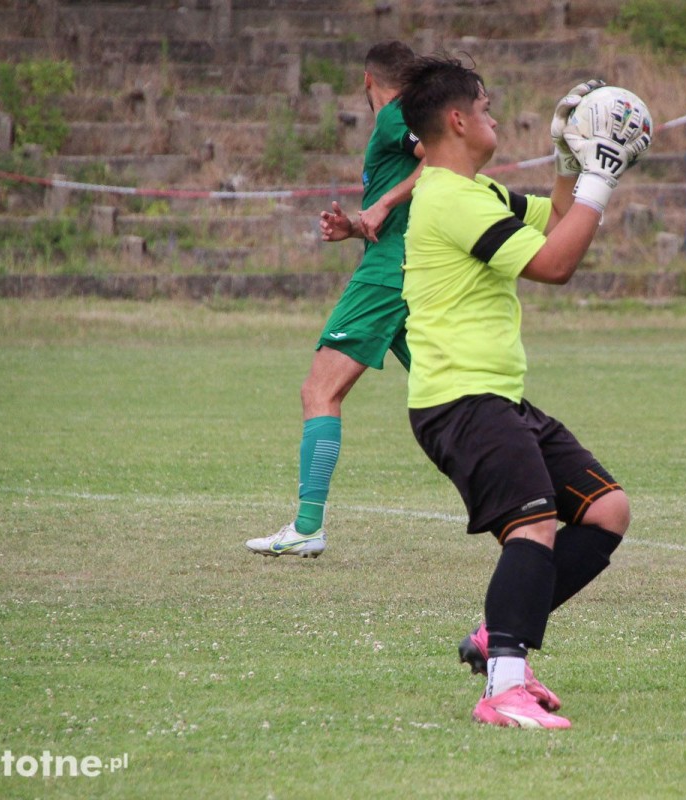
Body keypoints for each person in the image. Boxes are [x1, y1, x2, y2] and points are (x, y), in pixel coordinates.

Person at [398, 56, 650, 728]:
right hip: (461, 402)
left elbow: (558, 219)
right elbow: (555, 263)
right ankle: (503, 687)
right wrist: (601, 173)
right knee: (534, 525)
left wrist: (570, 160)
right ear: (457, 120)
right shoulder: (449, 199)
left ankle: (499, 631)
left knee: (607, 511)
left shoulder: (477, 190)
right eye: (486, 109)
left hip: (495, 398)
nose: (495, 119)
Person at [246, 40, 425, 558]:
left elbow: (442, 159)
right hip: (412, 269)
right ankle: (544, 494)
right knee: (461, 397)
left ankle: (307, 527)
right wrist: (356, 227)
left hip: (387, 275)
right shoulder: (403, 121)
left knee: (319, 390)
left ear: (367, 80)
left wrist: (382, 203)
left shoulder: (394, 116)